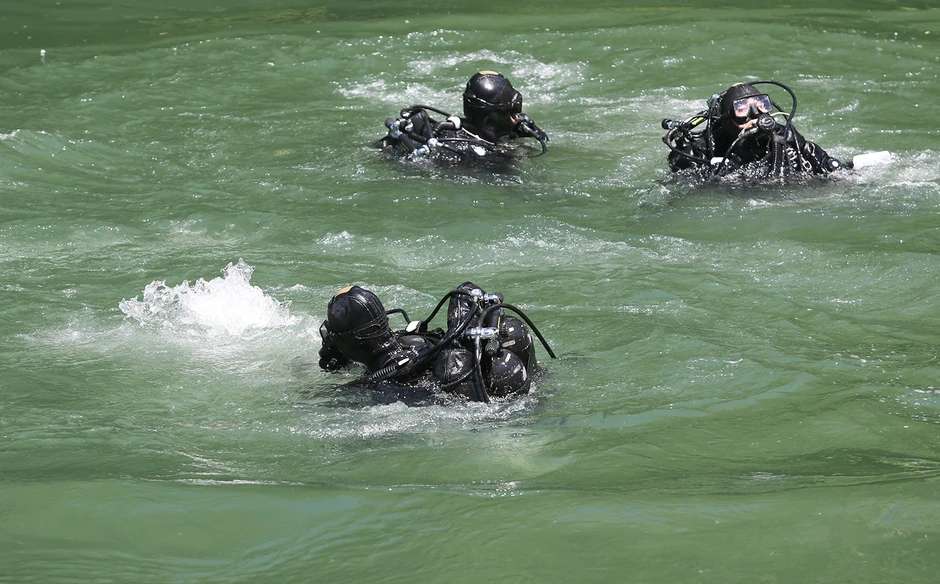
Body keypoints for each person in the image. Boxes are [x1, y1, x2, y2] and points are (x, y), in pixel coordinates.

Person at [317, 281, 556, 403]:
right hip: (514, 399)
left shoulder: (376, 384)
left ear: (352, 340)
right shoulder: (412, 340)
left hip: (471, 414)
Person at [662, 80, 846, 180]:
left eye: (759, 108)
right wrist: (718, 175)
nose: (754, 120)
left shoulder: (786, 137)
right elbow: (680, 181)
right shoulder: (703, 150)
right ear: (726, 120)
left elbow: (833, 171)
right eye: (742, 112)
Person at [376, 71, 549, 163]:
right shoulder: (477, 154)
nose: (517, 118)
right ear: (489, 121)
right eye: (511, 113)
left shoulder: (456, 131)